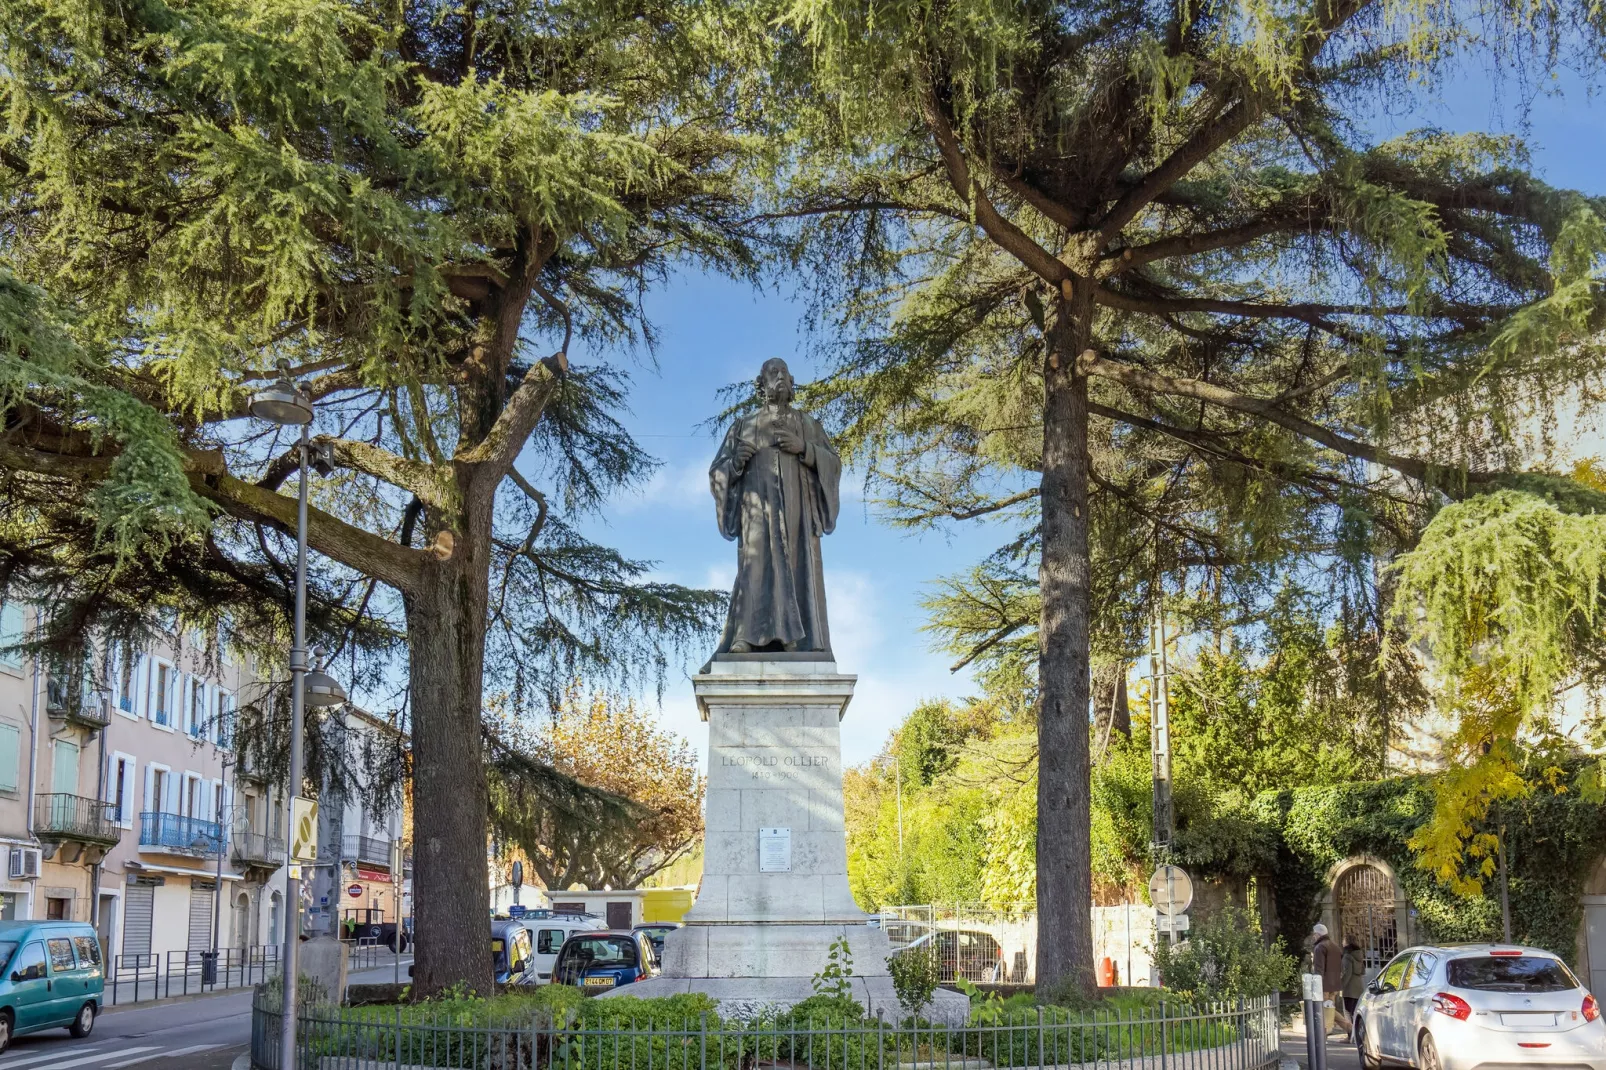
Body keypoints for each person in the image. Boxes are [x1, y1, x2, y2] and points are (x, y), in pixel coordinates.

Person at [1311, 923, 1344, 1035]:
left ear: (1318, 934)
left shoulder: (1319, 947)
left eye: (1314, 934)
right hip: (1334, 985)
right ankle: (1348, 1028)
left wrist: (1316, 985)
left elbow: (1319, 969)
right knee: (1329, 1009)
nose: (1313, 936)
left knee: (1325, 1010)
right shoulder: (1336, 947)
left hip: (1324, 985)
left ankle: (1324, 1032)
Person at [1340, 937, 1366, 1038]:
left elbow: (1347, 974)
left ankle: (1350, 1035)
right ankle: (1358, 1035)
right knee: (1355, 1012)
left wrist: (1341, 985)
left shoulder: (1347, 956)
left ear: (1347, 943)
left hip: (1349, 988)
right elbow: (1363, 971)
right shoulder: (1359, 955)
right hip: (1359, 987)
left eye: (1343, 941)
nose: (1342, 943)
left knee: (1347, 1012)